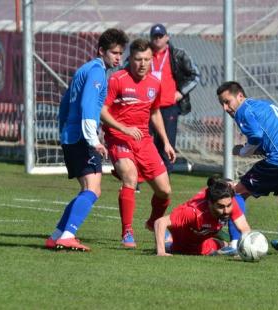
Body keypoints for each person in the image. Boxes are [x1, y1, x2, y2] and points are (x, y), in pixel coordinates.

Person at [45, 28, 129, 252]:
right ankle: (68, 235)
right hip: (82, 139)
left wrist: (64, 130)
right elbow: (88, 107)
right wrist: (93, 140)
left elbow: (65, 104)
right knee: (93, 189)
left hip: (72, 136)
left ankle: (56, 235)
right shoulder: (97, 73)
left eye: (120, 53)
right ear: (102, 51)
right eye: (114, 53)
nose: (118, 58)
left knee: (88, 189)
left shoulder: (86, 69)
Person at [217, 81, 278, 255]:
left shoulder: (243, 111)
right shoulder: (262, 105)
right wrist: (245, 149)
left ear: (240, 96)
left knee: (237, 193)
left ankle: (235, 243)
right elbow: (268, 138)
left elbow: (257, 137)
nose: (225, 107)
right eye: (222, 103)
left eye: (227, 102)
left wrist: (242, 151)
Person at [101, 38, 176, 248]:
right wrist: (122, 129)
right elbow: (102, 110)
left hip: (144, 140)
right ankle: (127, 232)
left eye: (146, 59)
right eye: (137, 59)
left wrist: (166, 142)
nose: (142, 64)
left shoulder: (154, 82)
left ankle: (153, 222)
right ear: (129, 59)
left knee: (165, 191)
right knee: (130, 177)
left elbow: (155, 112)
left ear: (152, 59)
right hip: (118, 137)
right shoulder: (117, 79)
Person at [154, 176, 251, 256]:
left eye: (228, 206)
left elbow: (244, 228)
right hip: (182, 244)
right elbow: (159, 222)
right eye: (221, 207)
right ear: (210, 203)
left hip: (203, 242)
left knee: (227, 246)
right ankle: (168, 240)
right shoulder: (193, 212)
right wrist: (161, 252)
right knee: (181, 248)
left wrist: (249, 249)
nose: (226, 210)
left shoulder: (228, 201)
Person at [149, 23, 199, 173]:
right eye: (154, 37)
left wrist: (181, 92)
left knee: (167, 143)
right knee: (144, 142)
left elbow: (195, 75)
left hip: (168, 106)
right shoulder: (144, 54)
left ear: (167, 37)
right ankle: (138, 179)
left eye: (160, 36)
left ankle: (165, 177)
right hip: (148, 106)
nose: (157, 39)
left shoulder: (177, 54)